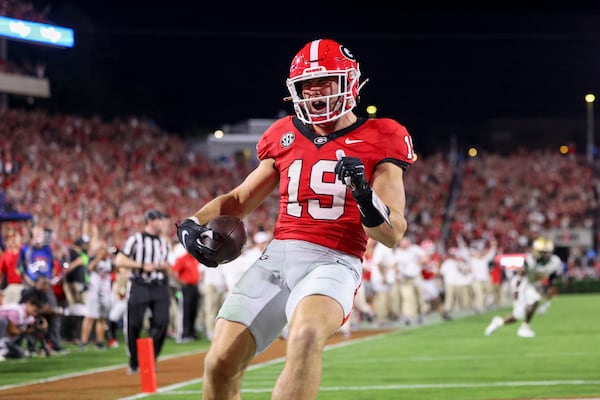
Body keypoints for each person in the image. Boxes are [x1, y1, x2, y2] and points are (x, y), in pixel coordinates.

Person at [176, 38, 415, 399]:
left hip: (334, 260)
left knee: (304, 336)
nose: (315, 92)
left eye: (325, 82)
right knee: (219, 364)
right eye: (307, 85)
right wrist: (191, 224)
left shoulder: (382, 135)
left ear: (349, 82)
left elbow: (392, 232)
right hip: (278, 256)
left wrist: (364, 196)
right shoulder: (284, 134)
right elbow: (239, 199)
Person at [114, 209, 172, 374]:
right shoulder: (136, 239)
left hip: (159, 285)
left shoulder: (163, 242)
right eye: (161, 220)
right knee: (134, 324)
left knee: (162, 322)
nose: (165, 223)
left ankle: (149, 358)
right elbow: (119, 260)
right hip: (140, 284)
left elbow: (168, 267)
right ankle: (134, 361)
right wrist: (141, 266)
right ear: (151, 221)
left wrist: (165, 268)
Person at [484, 253, 540, 338]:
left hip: (525, 285)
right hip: (520, 286)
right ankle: (498, 323)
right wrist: (516, 293)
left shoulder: (534, 263)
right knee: (518, 315)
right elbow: (520, 276)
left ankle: (523, 326)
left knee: (534, 301)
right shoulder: (528, 263)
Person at [80, 239, 115, 350]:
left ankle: (99, 342)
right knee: (90, 316)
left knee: (102, 318)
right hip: (94, 292)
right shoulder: (93, 258)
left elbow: (115, 270)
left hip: (105, 292)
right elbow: (89, 268)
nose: (104, 251)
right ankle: (83, 342)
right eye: (102, 248)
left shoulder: (110, 260)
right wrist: (98, 257)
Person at [524, 237, 563, 315]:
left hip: (537, 281)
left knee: (535, 299)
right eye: (542, 252)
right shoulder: (530, 261)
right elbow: (521, 276)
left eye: (547, 252)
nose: (545, 254)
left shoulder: (554, 261)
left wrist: (546, 303)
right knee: (523, 309)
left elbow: (552, 282)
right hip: (525, 282)